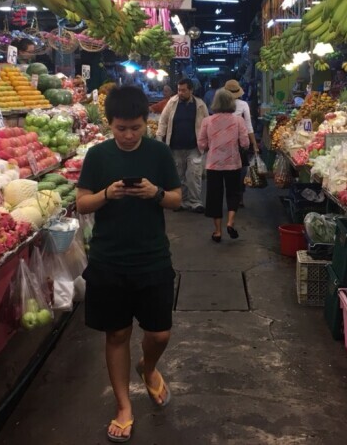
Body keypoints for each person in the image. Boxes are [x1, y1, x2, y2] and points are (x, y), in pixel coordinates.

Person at [76, 86, 183, 443]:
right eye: (121, 128)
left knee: (160, 333)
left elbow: (177, 200)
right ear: (109, 124)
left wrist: (155, 193)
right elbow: (81, 204)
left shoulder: (159, 153)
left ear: (146, 123)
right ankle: (123, 406)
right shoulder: (97, 156)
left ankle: (147, 367)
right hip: (108, 260)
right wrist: (107, 194)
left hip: (153, 257)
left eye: (135, 128)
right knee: (117, 334)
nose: (128, 135)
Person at [198, 89, 249, 242]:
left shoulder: (207, 121)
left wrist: (211, 146)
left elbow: (201, 144)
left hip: (214, 164)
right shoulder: (238, 121)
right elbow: (245, 143)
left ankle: (218, 231)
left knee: (214, 196)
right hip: (233, 163)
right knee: (233, 193)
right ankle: (230, 222)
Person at [156, 79, 208, 212]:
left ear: (191, 90)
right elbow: (163, 121)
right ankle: (181, 201)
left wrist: (207, 141)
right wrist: (159, 137)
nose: (180, 93)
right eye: (179, 90)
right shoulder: (171, 103)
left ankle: (195, 202)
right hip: (175, 147)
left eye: (184, 90)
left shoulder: (200, 105)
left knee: (194, 175)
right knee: (179, 176)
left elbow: (206, 123)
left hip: (194, 147)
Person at [223, 80, 259, 204]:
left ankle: (232, 195)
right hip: (240, 141)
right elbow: (248, 126)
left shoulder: (220, 105)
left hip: (225, 141)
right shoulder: (243, 104)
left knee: (228, 170)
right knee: (241, 169)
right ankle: (239, 195)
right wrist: (254, 144)